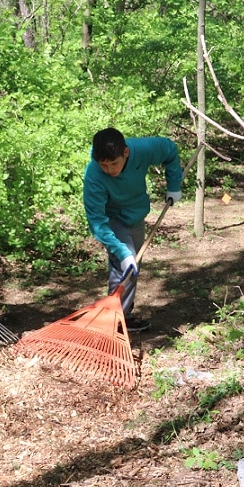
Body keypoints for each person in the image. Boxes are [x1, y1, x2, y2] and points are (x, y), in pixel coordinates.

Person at [83, 127, 183, 333]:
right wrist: (121, 252)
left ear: (125, 153)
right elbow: (97, 221)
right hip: (112, 217)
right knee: (124, 264)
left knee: (133, 265)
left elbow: (170, 151)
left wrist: (174, 185)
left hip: (136, 214)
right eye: (104, 165)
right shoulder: (94, 175)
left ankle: (121, 316)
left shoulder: (143, 149)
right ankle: (115, 322)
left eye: (114, 164)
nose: (109, 170)